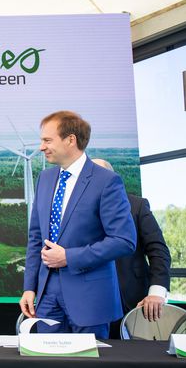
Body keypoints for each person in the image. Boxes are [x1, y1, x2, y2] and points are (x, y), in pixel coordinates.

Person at [19, 111, 136, 339]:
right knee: (47, 357)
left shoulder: (106, 181)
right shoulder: (45, 179)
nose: (41, 147)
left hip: (89, 298)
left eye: (47, 140)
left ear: (70, 140)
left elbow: (124, 241)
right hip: (46, 296)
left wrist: (69, 257)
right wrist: (29, 287)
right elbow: (35, 238)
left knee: (87, 359)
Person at [91, 159, 171, 329]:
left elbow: (158, 250)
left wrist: (157, 292)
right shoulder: (75, 211)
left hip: (133, 302)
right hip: (90, 304)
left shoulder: (137, 206)